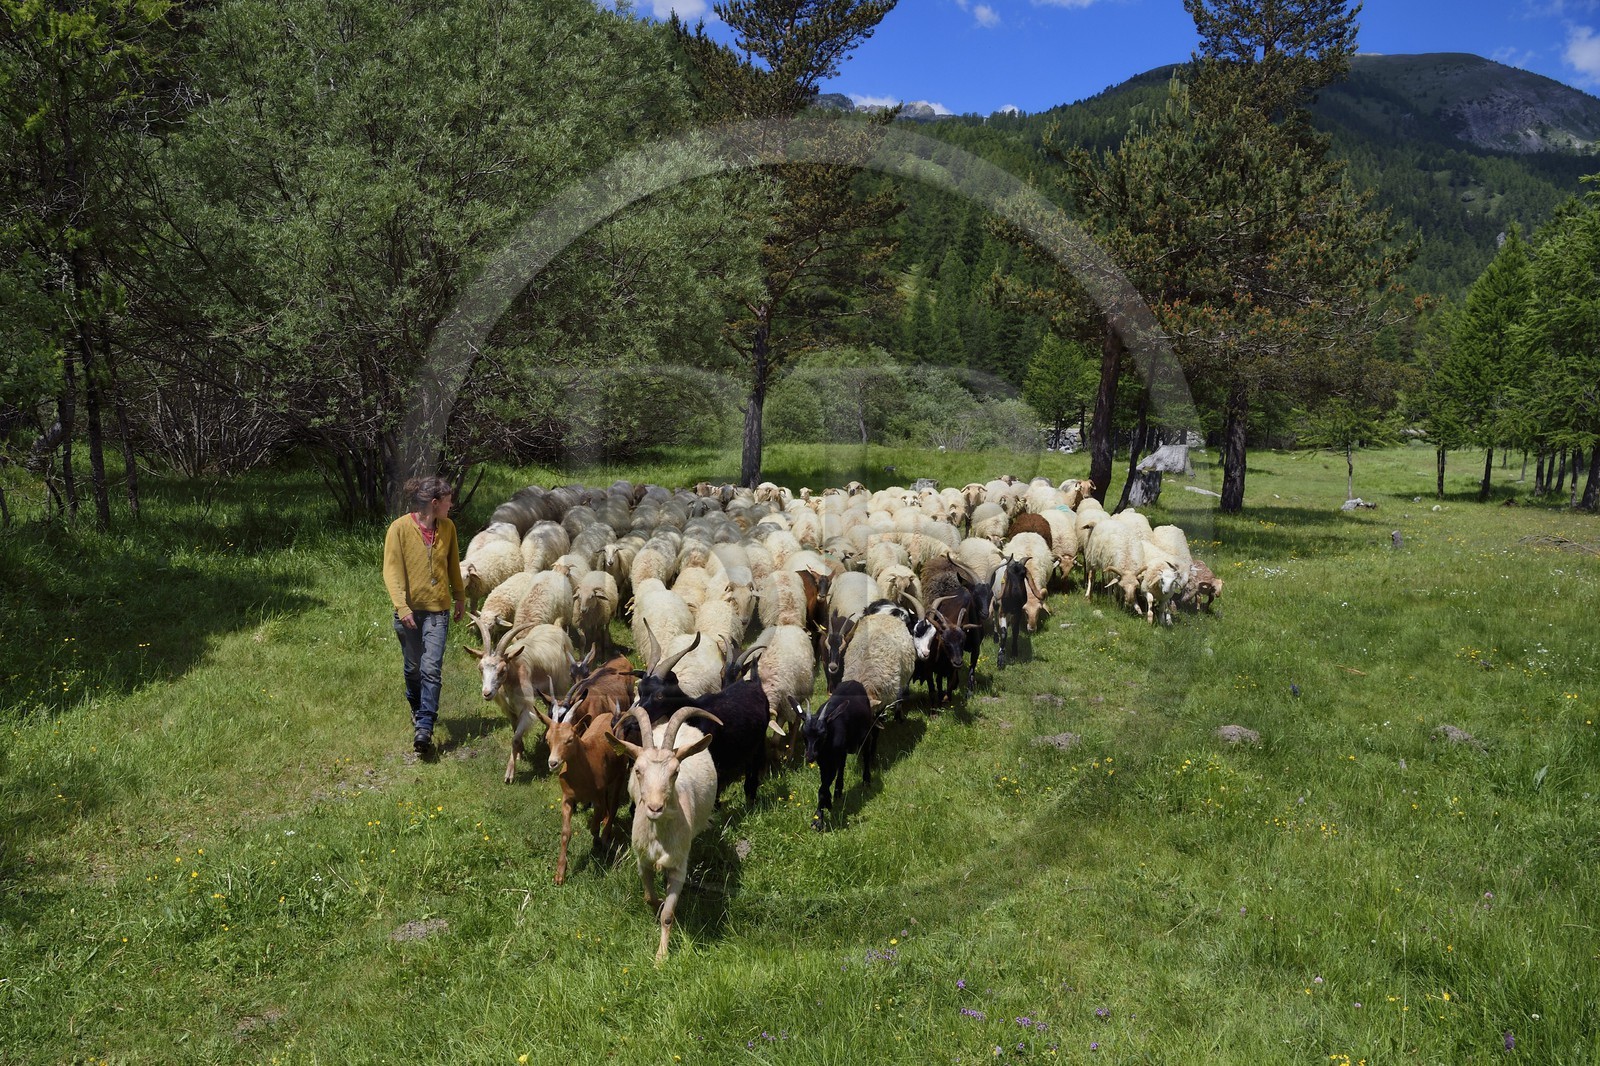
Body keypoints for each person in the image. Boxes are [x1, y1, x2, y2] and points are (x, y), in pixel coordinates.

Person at [382, 476, 467, 755]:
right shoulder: (398, 529)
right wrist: (402, 607)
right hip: (408, 612)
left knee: (431, 668)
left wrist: (460, 597)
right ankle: (417, 707)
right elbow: (391, 572)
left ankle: (425, 724)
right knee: (413, 668)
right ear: (434, 503)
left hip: (437, 611)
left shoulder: (448, 527)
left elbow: (453, 564)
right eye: (447, 500)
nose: (451, 504)